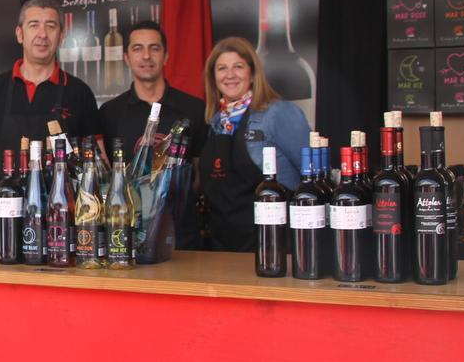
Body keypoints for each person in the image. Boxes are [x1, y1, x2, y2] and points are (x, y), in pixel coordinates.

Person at [98, 20, 207, 249]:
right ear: (126, 58)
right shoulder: (110, 113)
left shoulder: (194, 109)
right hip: (128, 237)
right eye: (138, 48)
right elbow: (108, 177)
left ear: (166, 56)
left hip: (182, 236)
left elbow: (199, 175)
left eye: (154, 48)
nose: (146, 56)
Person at [198, 37, 309, 251]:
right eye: (222, 68)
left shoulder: (278, 113)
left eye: (238, 67)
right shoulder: (215, 122)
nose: (230, 75)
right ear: (213, 78)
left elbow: (311, 176)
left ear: (253, 72)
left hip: (272, 243)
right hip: (223, 246)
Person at [0, 0, 101, 168]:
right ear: (20, 34)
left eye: (51, 26)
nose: (43, 34)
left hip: (60, 195)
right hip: (2, 194)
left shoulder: (80, 92)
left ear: (61, 36)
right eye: (34, 25)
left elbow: (98, 162)